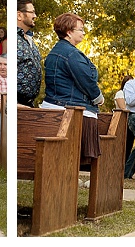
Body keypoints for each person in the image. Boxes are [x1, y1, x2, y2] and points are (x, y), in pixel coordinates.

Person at [40, 13, 104, 164]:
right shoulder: (71, 54)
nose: (83, 33)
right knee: (71, 159)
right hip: (72, 111)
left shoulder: (55, 51)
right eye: (80, 29)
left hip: (55, 106)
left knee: (63, 160)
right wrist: (98, 97)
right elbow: (87, 80)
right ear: (69, 32)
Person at [17, 0, 42, 107]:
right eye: (31, 12)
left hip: (29, 106)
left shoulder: (29, 39)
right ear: (19, 15)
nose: (35, 16)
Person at [115, 74, 135, 179]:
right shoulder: (120, 93)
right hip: (122, 123)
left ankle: (127, 170)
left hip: (130, 124)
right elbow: (124, 108)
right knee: (122, 147)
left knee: (129, 146)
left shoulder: (132, 95)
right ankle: (119, 169)